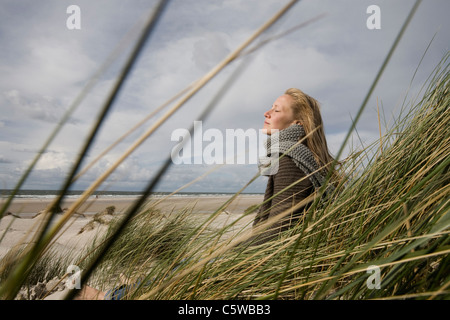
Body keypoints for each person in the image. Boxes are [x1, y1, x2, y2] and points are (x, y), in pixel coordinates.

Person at [249, 88, 336, 245]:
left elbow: (277, 230)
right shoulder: (298, 154)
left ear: (297, 123)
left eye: (276, 110)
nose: (266, 113)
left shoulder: (289, 159)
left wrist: (233, 256)